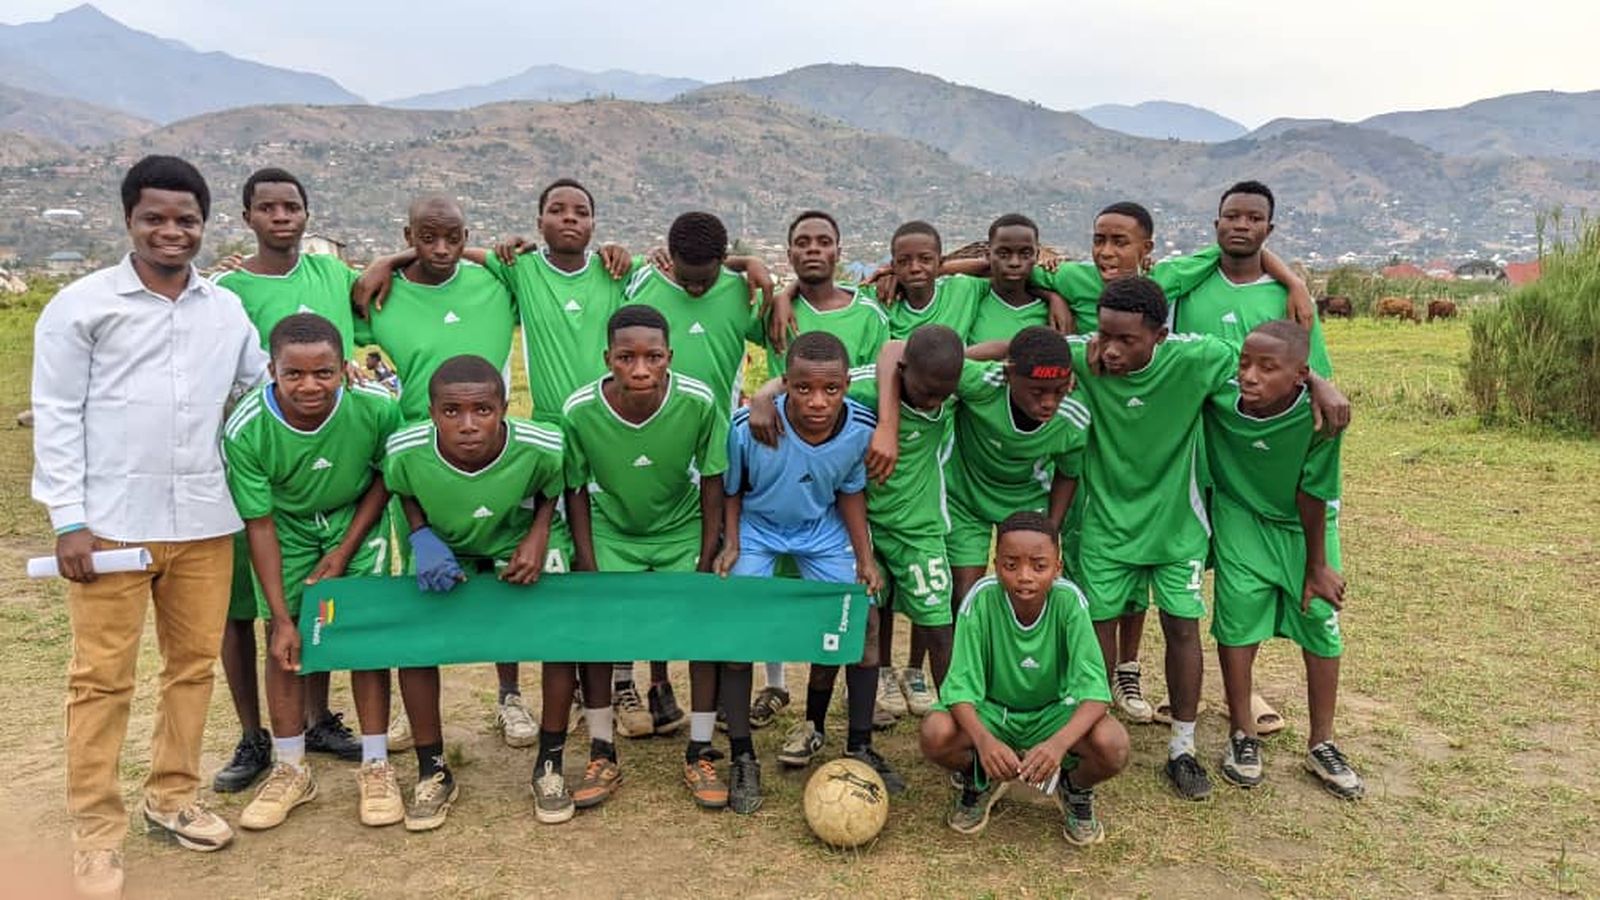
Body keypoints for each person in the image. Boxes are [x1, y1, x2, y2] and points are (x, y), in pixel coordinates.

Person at [32, 155, 268, 898]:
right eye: (155, 219)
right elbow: (59, 415)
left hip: (203, 520)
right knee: (101, 680)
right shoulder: (81, 305)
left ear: (205, 223)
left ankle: (171, 797)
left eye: (186, 220)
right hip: (108, 526)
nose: (172, 232)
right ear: (129, 220)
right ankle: (96, 834)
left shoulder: (223, 309)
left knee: (191, 669)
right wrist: (69, 520)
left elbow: (258, 385)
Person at [1065, 276, 1348, 801]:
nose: (1111, 349)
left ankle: (1183, 748)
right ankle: (1090, 733)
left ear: (1160, 335)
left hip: (1178, 525)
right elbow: (1027, 349)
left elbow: (1273, 365)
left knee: (1183, 629)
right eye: (1105, 336)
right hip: (1106, 525)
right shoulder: (1088, 356)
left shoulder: (1198, 359)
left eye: (1126, 339)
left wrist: (1320, 384)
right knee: (1097, 632)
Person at [354, 195, 559, 749]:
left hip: (496, 453)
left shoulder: (495, 282)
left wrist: (429, 253)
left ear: (466, 233)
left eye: (452, 238)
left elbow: (539, 267)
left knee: (507, 578)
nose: (441, 250)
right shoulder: (382, 294)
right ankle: (413, 714)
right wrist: (387, 264)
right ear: (407, 234)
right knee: (421, 584)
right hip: (419, 460)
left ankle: (511, 697)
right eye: (426, 238)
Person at [213, 167, 383, 791]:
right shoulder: (226, 288)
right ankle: (254, 737)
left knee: (326, 604)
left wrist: (389, 256)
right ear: (247, 217)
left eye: (292, 206)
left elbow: (374, 293)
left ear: (308, 215)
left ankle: (317, 719)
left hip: (331, 459)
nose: (281, 216)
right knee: (254, 611)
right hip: (260, 468)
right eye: (268, 207)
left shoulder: (333, 276)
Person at [221, 314, 405, 830]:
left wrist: (345, 552)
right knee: (284, 643)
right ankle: (290, 768)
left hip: (353, 521)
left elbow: (384, 480)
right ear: (272, 371)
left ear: (343, 367)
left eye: (323, 373)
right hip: (285, 526)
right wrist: (281, 616)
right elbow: (258, 524)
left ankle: (375, 762)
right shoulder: (248, 427)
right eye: (293, 375)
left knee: (364, 637)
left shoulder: (376, 409)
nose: (309, 386)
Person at [1165, 181, 1334, 736]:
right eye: (1230, 216)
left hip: (1262, 470)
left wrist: (1293, 282)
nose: (1241, 225)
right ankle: (1156, 684)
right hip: (1203, 461)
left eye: (1253, 218)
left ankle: (1250, 697)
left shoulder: (1285, 299)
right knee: (1195, 581)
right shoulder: (1191, 283)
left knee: (1252, 590)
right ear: (1215, 225)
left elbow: (1315, 375)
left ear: (1269, 229)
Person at [380, 355, 569, 830]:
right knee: (418, 636)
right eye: (451, 412)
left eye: (482, 410)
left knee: (559, 632)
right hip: (444, 541)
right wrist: (420, 534)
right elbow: (402, 489)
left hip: (514, 537)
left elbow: (555, 486)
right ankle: (433, 769)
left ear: (505, 408)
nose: (467, 425)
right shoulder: (405, 449)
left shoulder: (541, 444)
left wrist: (539, 534)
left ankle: (550, 763)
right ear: (431, 411)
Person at [747, 325, 968, 723]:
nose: (934, 400)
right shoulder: (861, 388)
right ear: (905, 371)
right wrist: (763, 394)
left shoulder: (948, 379)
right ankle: (835, 711)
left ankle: (956, 716)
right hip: (856, 526)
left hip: (918, 526)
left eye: (943, 395)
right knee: (857, 619)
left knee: (937, 623)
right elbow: (814, 380)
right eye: (925, 391)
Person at [562, 305, 732, 814]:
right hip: (613, 531)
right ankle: (601, 751)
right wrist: (589, 563)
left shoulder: (699, 402)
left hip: (680, 531)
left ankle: (700, 751)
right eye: (626, 357)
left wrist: (706, 556)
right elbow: (575, 489)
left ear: (669, 358)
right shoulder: (580, 410)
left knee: (702, 633)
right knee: (597, 634)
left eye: (652, 357)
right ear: (607, 358)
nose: (640, 369)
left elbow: (713, 479)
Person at [714, 331, 888, 813]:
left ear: (846, 386)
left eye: (830, 390)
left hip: (819, 528)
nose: (817, 401)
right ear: (784, 383)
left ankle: (856, 742)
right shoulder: (751, 426)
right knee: (738, 626)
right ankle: (742, 755)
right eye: (804, 389)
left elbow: (850, 490)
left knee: (857, 618)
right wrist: (732, 541)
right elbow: (732, 489)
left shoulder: (859, 428)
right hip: (758, 526)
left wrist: (863, 557)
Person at [1204, 321, 1362, 799]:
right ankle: (1242, 734)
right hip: (1241, 517)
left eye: (1267, 369)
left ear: (1298, 377)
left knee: (1319, 620)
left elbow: (1313, 491)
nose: (1250, 376)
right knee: (1236, 620)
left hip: (1303, 526)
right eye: (1245, 364)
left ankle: (1323, 743)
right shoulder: (1218, 395)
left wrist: (1317, 566)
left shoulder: (1322, 418)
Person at [919, 512, 1129, 846]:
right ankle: (981, 779)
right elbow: (958, 689)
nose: (1025, 576)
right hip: (994, 713)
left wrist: (1058, 745)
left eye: (1039, 565)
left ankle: (1073, 787)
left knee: (1113, 744)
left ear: (1057, 567)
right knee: (935, 731)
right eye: (1011, 564)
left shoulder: (1070, 602)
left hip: (1051, 713)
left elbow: (1096, 694)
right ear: (995, 563)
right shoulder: (981, 600)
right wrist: (985, 742)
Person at [880, 326, 1086, 639]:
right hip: (965, 498)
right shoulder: (982, 382)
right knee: (963, 593)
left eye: (1058, 391)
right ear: (1009, 374)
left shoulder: (1072, 418)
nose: (1049, 402)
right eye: (1037, 392)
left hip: (1024, 502)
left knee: (1024, 591)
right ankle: (952, 668)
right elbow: (900, 350)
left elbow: (1068, 474)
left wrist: (1052, 529)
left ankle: (1010, 664)